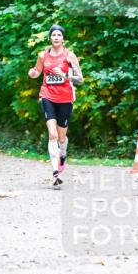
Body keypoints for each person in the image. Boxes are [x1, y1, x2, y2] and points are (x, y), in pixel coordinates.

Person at [27, 25, 83, 186]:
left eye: (59, 35)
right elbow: (37, 71)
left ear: (63, 38)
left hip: (65, 98)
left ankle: (63, 154)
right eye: (54, 35)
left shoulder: (70, 55)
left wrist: (65, 75)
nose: (56, 37)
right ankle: (55, 173)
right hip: (47, 96)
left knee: (61, 137)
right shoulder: (42, 55)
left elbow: (80, 79)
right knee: (52, 134)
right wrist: (33, 73)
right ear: (50, 38)